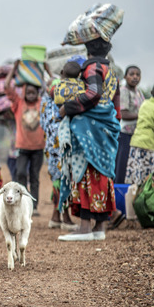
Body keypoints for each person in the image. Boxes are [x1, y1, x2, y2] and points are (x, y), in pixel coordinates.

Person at [57, 37, 121, 241]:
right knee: (103, 174)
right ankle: (100, 226)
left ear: (88, 50)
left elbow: (93, 94)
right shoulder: (112, 71)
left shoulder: (92, 67)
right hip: (106, 126)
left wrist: (67, 108)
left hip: (90, 127)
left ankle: (85, 227)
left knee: (86, 171)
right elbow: (115, 105)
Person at [4, 60, 45, 215]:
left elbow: (49, 91)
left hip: (38, 148)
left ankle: (33, 206)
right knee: (20, 173)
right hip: (22, 147)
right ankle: (21, 202)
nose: (31, 95)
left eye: (34, 92)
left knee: (34, 177)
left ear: (37, 93)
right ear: (24, 93)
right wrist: (14, 69)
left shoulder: (42, 103)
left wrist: (44, 71)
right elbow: (7, 87)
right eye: (28, 92)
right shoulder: (18, 103)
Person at [41, 78, 78, 230]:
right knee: (62, 181)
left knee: (60, 181)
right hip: (57, 149)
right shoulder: (53, 105)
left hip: (53, 148)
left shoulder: (46, 103)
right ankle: (64, 217)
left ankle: (56, 216)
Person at [125, 82, 154, 186]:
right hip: (148, 147)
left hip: (135, 144)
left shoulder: (145, 103)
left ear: (151, 92)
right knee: (148, 182)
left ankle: (129, 201)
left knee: (134, 179)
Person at [114, 66, 144, 183]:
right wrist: (143, 115)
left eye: (137, 74)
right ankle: (118, 194)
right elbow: (123, 113)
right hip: (124, 134)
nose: (135, 77)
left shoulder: (138, 92)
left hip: (136, 134)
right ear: (125, 76)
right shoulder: (124, 91)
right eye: (132, 74)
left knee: (132, 166)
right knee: (122, 165)